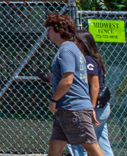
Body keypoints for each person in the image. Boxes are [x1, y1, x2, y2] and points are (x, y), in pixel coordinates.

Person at [44, 13, 105, 156]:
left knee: (92, 148)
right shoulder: (73, 49)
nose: (47, 32)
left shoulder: (66, 50)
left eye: (50, 29)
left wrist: (54, 100)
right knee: (55, 145)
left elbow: (68, 80)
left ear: (59, 30)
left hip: (74, 109)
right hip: (67, 108)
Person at [68, 31, 115, 156]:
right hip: (102, 108)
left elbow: (95, 85)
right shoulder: (87, 59)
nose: (72, 44)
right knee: (100, 142)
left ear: (83, 44)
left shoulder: (88, 60)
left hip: (95, 109)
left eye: (75, 41)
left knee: (77, 140)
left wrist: (91, 108)